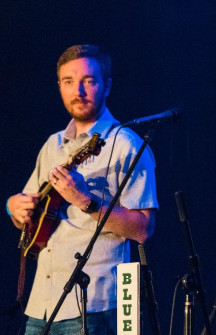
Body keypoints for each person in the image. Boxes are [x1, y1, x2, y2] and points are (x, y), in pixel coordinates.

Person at [6, 44, 158, 334]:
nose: (79, 91)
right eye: (68, 82)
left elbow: (143, 230)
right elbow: (27, 215)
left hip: (93, 306)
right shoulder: (52, 144)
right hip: (42, 304)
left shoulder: (126, 144)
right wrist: (13, 207)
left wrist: (84, 200)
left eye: (89, 81)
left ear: (107, 85)